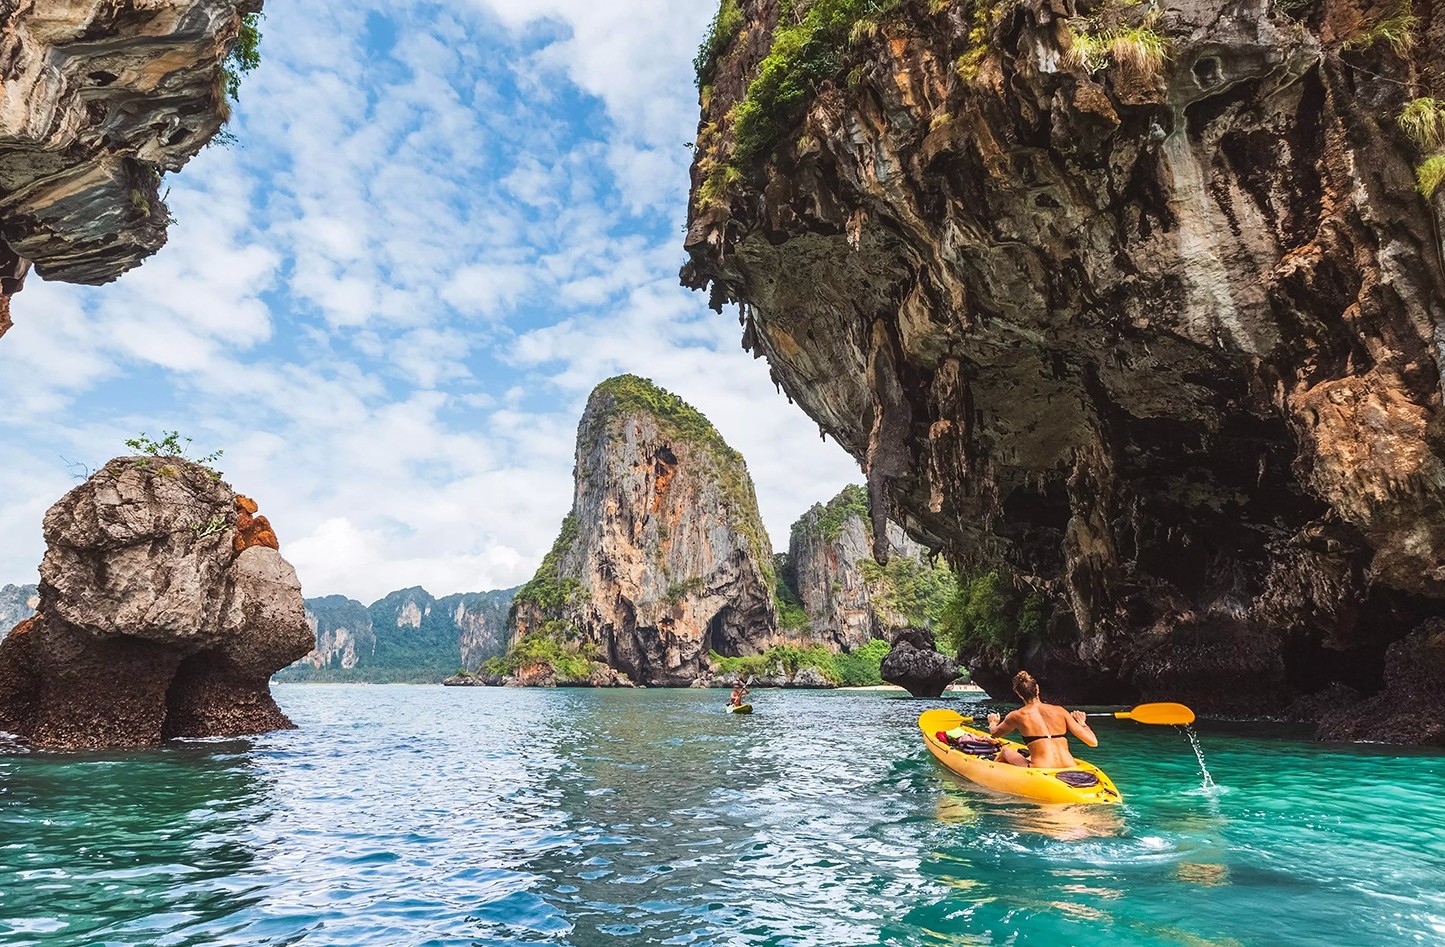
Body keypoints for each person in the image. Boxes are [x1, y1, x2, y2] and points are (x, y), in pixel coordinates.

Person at [985, 670, 1097, 768]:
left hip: (1041, 767)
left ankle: (993, 772)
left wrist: (993, 723)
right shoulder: (1060, 711)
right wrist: (1082, 723)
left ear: (1019, 694)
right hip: (1069, 765)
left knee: (1005, 751)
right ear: (1037, 689)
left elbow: (995, 734)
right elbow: (1093, 742)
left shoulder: (1017, 715)